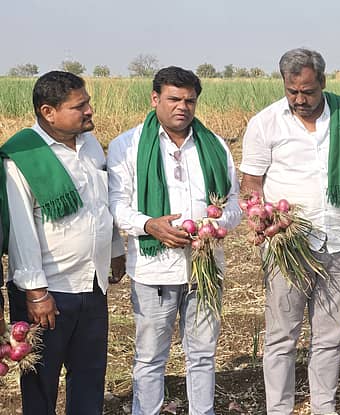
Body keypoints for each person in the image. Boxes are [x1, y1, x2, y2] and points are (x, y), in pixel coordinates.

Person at [239, 48, 340, 415]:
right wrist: (258, 215)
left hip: (339, 241)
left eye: (308, 92)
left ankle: (323, 407)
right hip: (289, 243)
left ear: (324, 83)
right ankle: (279, 409)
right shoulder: (265, 122)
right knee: (282, 336)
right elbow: (251, 183)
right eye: (292, 91)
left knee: (329, 337)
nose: (300, 99)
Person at [107, 66, 241, 415]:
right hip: (154, 270)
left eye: (190, 100)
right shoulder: (128, 146)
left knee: (202, 353)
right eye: (174, 99)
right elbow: (117, 205)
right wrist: (150, 225)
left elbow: (234, 203)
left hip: (205, 269)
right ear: (155, 99)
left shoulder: (215, 145)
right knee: (150, 356)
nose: (182, 106)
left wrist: (214, 226)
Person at [1, 71, 126, 414]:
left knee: (89, 377)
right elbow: (22, 231)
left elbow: (102, 204)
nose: (89, 110)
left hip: (92, 283)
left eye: (87, 102)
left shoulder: (89, 146)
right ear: (48, 112)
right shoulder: (22, 157)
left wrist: (116, 250)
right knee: (41, 383)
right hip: (49, 292)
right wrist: (36, 292)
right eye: (79, 106)